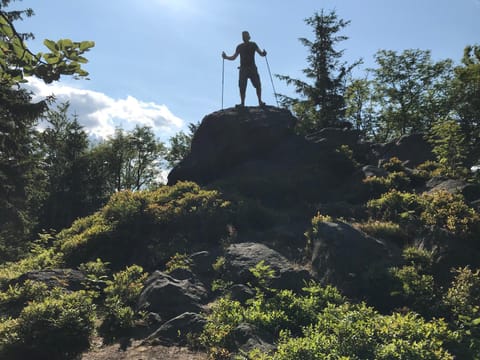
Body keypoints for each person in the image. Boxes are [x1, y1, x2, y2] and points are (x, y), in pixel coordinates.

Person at [222, 31, 267, 107]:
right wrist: (226, 57)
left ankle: (260, 101)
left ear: (249, 37)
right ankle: (242, 103)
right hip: (243, 69)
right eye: (243, 36)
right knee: (242, 86)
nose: (244, 37)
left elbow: (260, 53)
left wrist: (263, 53)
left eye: (245, 36)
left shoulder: (253, 44)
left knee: (258, 85)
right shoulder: (239, 47)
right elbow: (234, 57)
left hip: (252, 68)